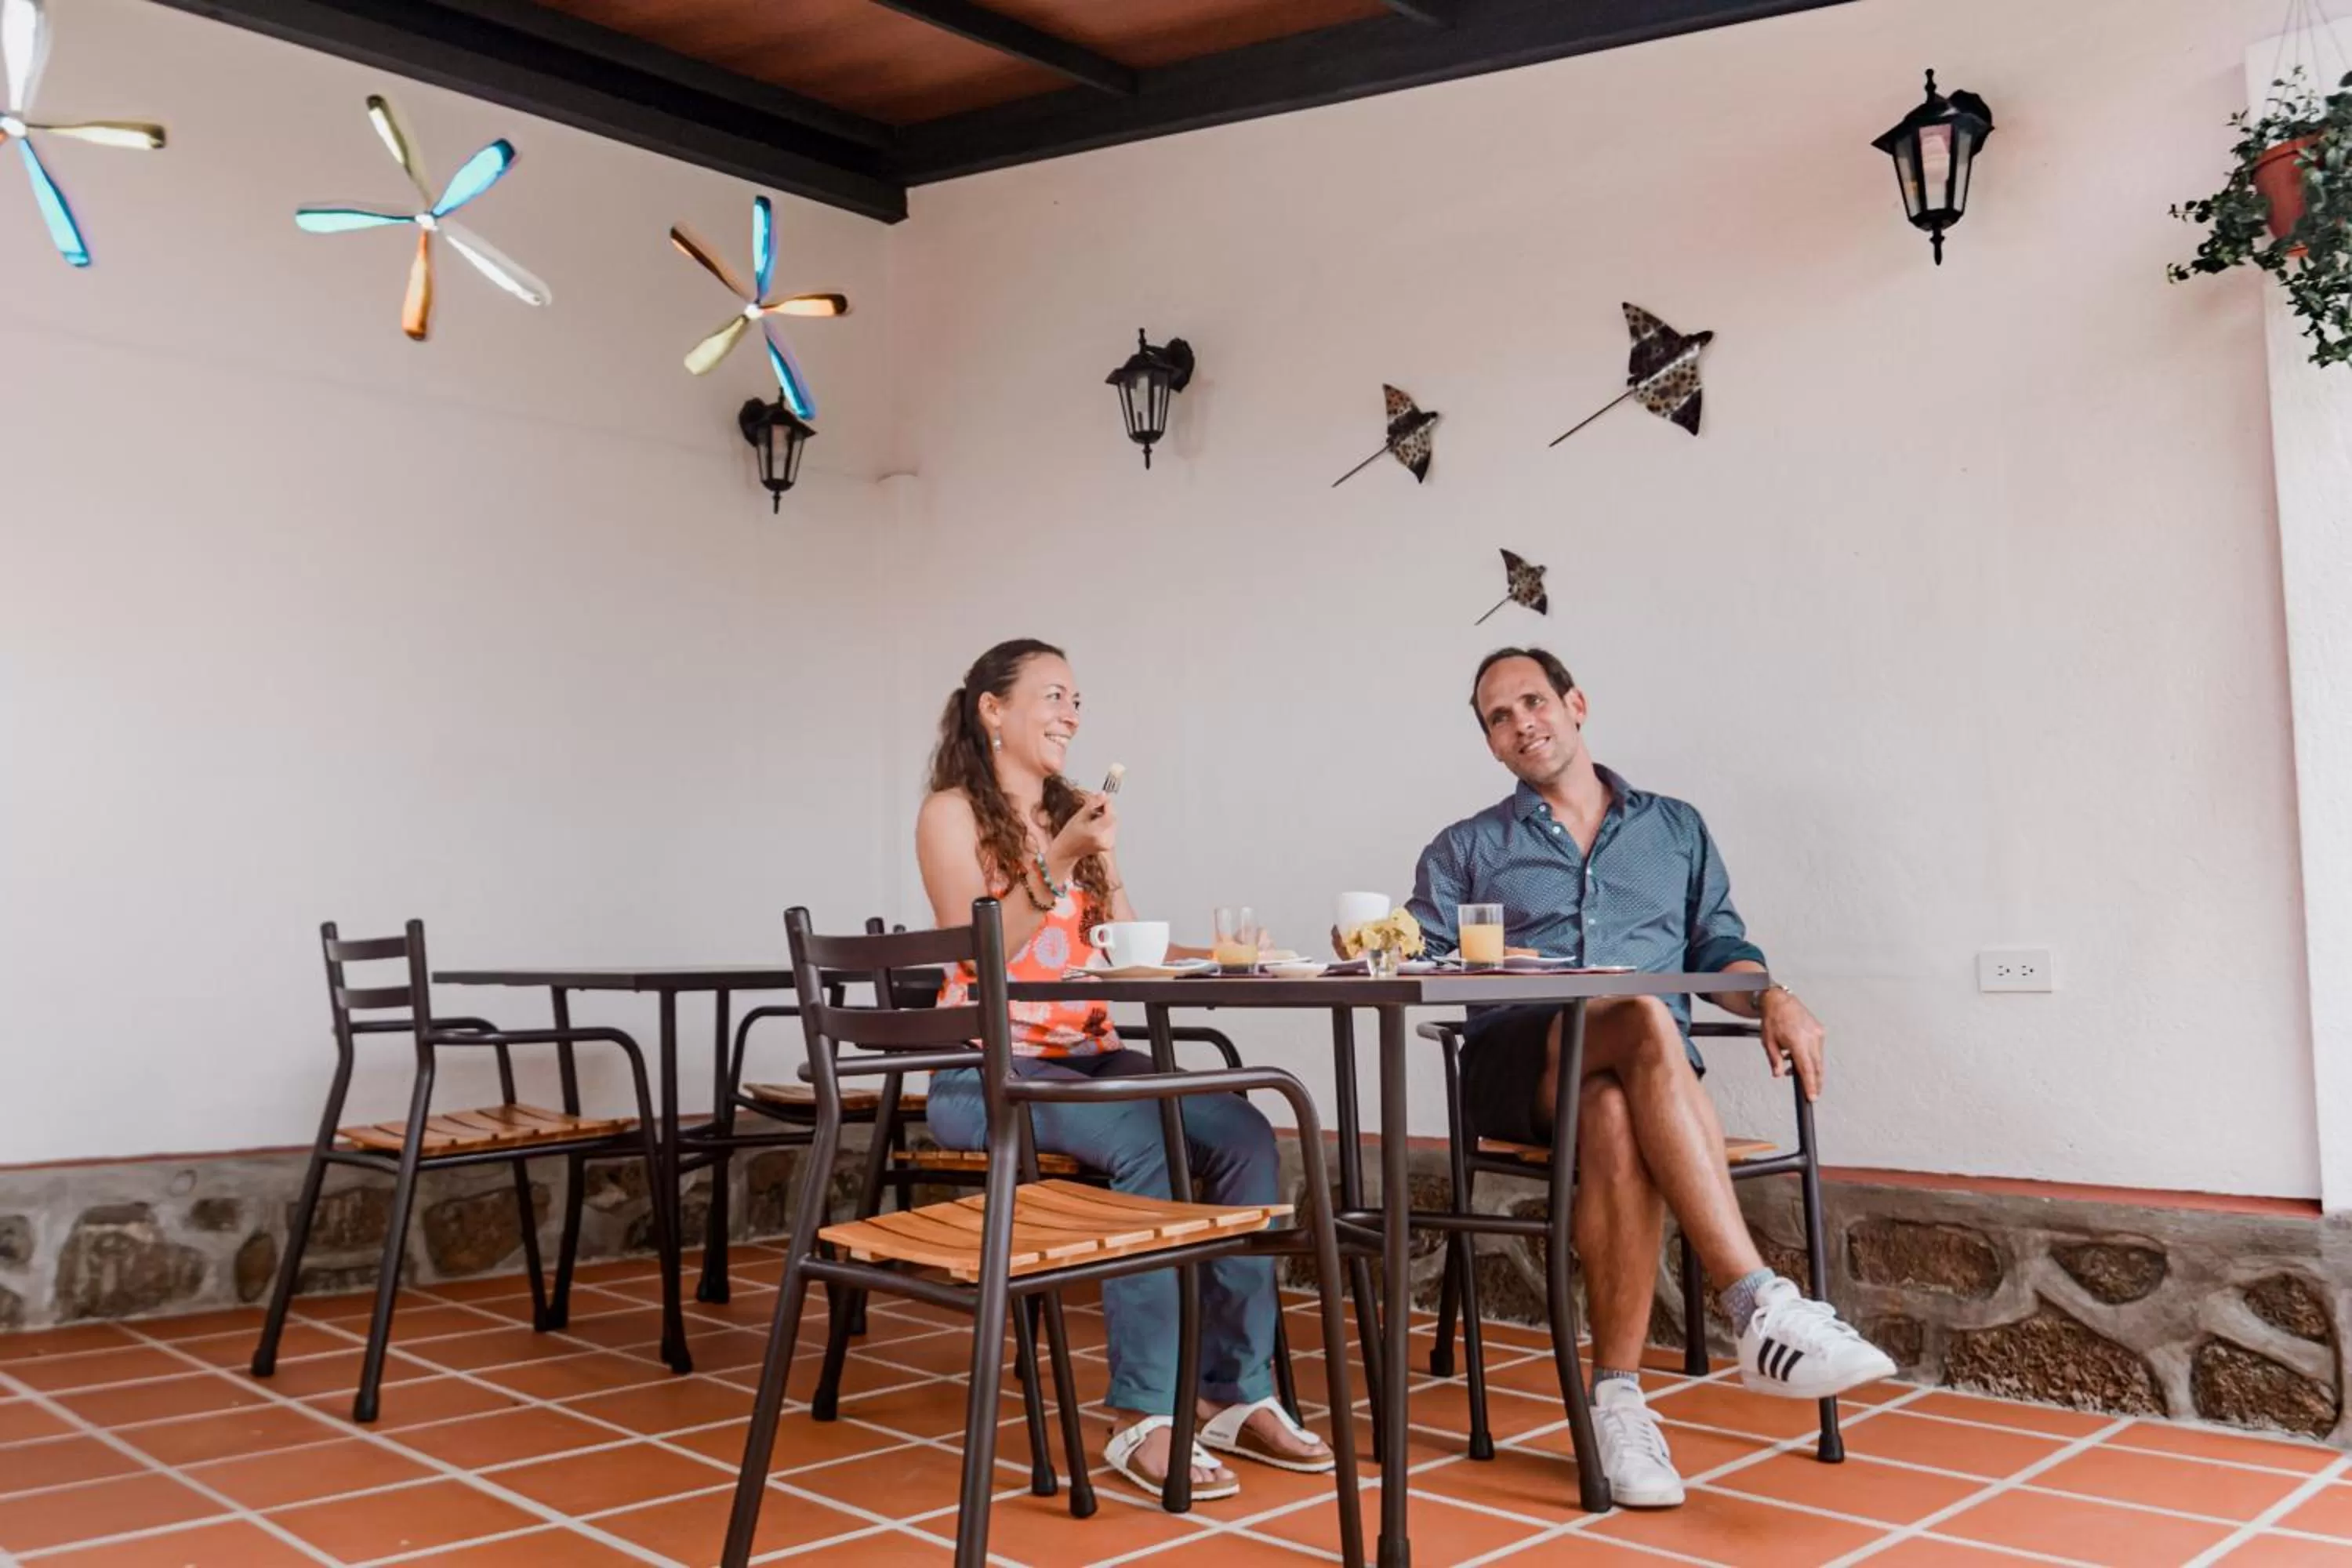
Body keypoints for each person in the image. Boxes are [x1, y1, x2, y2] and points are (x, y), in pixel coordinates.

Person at [1406, 646, 1894, 1509]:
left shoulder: (1675, 829)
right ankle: (1757, 1302)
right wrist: (1413, 947)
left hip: (1641, 1082)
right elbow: (1414, 957)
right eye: (1499, 717)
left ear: (1575, 704)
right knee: (1638, 1012)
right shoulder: (1467, 847)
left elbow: (1719, 949)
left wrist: (1772, 995)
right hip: (1519, 1066)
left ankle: (1617, 1406)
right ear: (1490, 743)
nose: (1521, 723)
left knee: (1613, 1109)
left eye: (1533, 701)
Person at [915, 638, 1332, 1501]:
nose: (1071, 714)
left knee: (1245, 1132)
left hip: (1089, 1059)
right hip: (984, 1073)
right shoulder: (951, 813)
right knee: (1148, 1138)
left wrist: (1224, 956)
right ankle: (1142, 1411)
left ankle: (1233, 1389)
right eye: (1053, 695)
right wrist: (1060, 857)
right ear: (993, 710)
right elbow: (976, 945)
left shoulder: (1080, 813)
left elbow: (1125, 945)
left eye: (1077, 699)